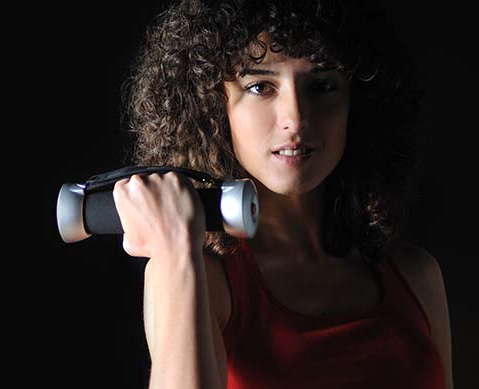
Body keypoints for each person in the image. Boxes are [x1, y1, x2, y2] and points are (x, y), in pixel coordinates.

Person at [110, 0, 452, 388]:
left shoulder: (416, 277)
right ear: (212, 107)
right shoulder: (200, 279)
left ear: (359, 103)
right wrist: (175, 252)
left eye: (321, 85)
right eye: (260, 86)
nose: (296, 118)